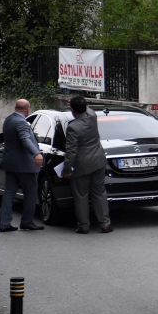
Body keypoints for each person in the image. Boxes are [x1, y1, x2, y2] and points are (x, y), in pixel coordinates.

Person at [62, 96, 112, 234]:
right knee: (100, 193)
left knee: (81, 195)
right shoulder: (92, 117)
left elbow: (71, 152)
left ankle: (84, 226)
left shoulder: (73, 127)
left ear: (72, 110)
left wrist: (66, 169)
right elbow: (87, 109)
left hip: (82, 166)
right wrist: (77, 103)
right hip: (98, 162)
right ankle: (105, 224)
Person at [0, 99, 44, 232]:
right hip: (25, 165)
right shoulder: (22, 123)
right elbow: (25, 139)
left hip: (10, 163)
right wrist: (36, 153)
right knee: (30, 192)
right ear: (27, 110)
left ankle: (4, 223)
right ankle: (27, 221)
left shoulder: (8, 120)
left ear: (15, 107)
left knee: (9, 192)